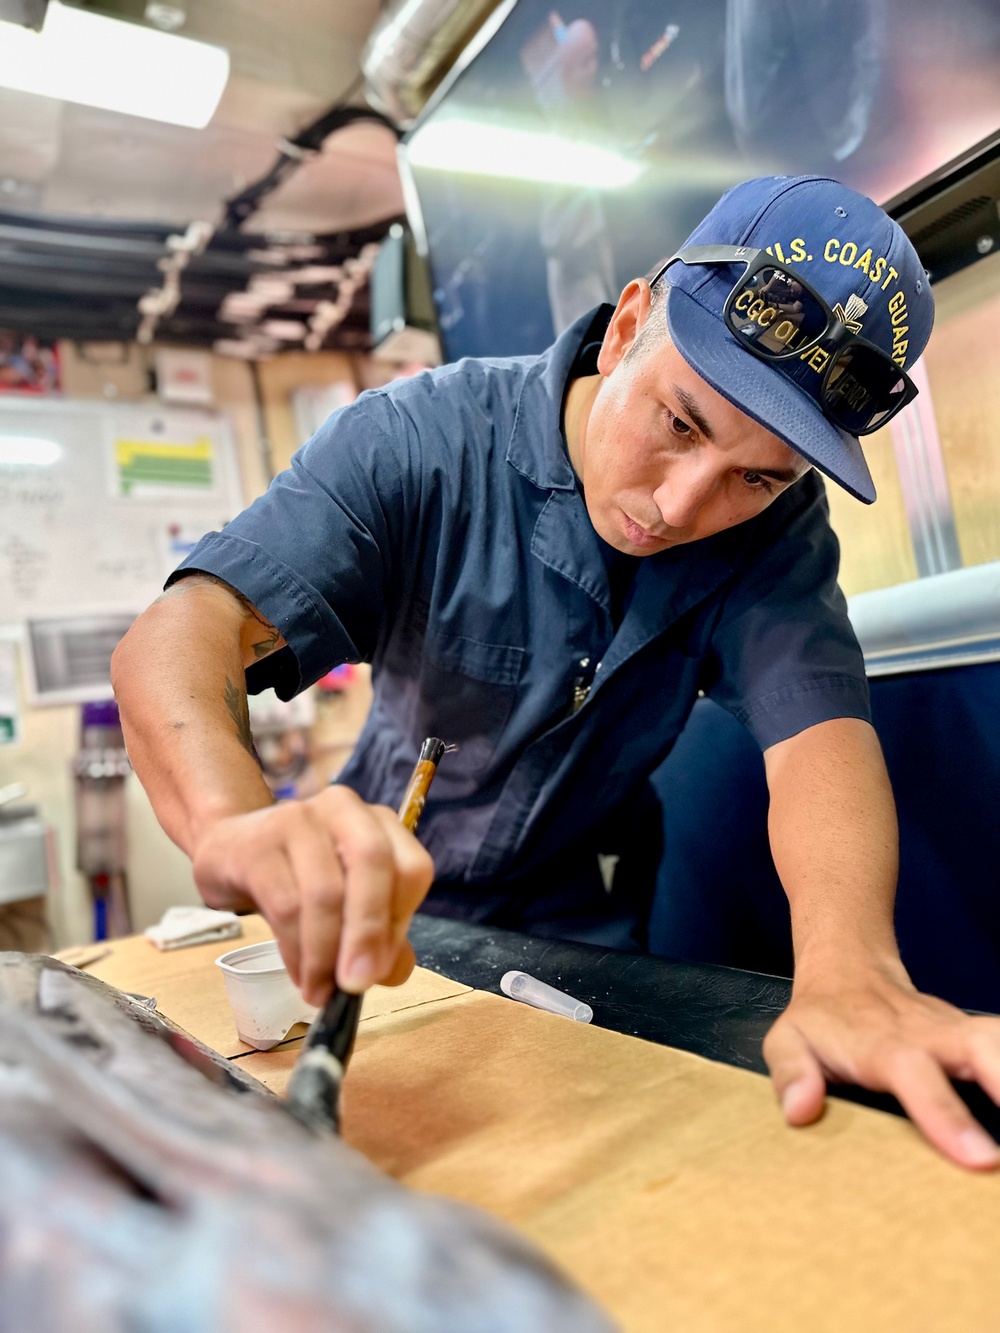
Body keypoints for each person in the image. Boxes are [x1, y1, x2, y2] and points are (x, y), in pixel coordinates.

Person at [112, 175, 1000, 1171]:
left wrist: (851, 970)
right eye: (680, 422)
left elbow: (821, 742)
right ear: (626, 328)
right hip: (378, 893)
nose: (680, 505)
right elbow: (184, 631)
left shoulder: (776, 535)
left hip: (586, 916)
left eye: (756, 475)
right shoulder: (417, 442)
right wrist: (234, 824)